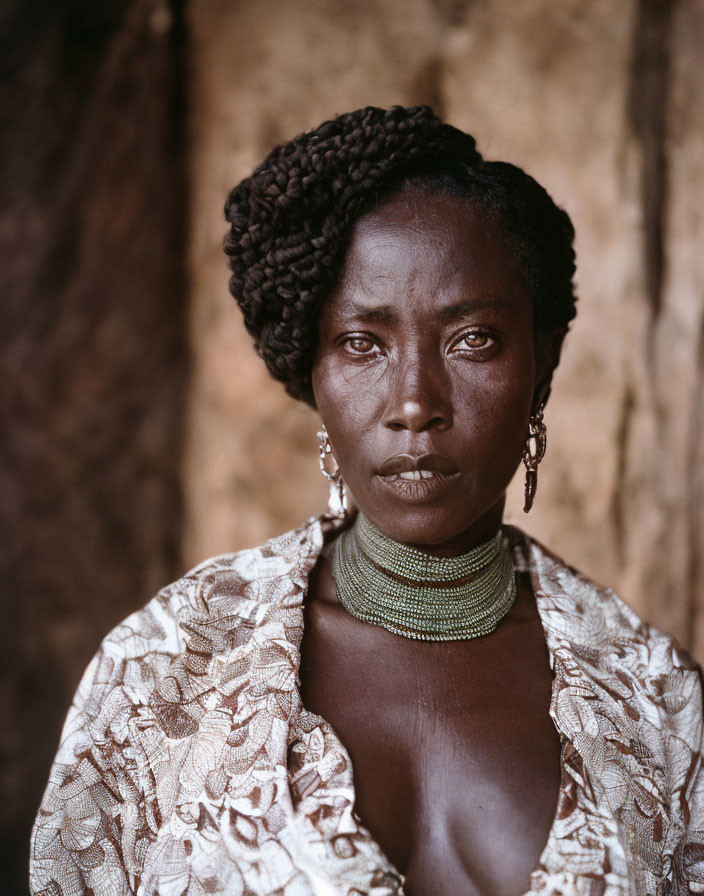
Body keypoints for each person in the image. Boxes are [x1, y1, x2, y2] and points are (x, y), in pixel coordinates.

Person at [29, 106, 704, 896]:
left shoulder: (656, 707)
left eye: (472, 338)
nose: (414, 401)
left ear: (541, 365)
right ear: (313, 371)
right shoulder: (168, 673)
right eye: (361, 343)